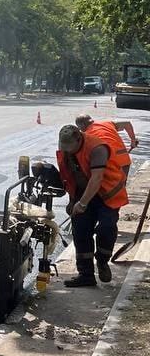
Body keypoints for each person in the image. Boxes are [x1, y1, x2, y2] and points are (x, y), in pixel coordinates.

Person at [56, 121, 131, 286]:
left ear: (79, 139)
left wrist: (82, 204)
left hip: (107, 193)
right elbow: (70, 176)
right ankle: (86, 275)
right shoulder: (67, 150)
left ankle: (103, 261)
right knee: (81, 230)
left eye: (70, 147)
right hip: (84, 192)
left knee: (106, 227)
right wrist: (72, 200)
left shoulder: (97, 148)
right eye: (64, 147)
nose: (67, 151)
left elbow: (96, 179)